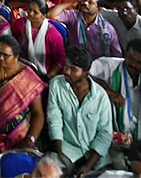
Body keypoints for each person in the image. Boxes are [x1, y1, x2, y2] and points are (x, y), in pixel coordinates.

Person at [45, 45, 112, 175]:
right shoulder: (57, 85)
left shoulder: (100, 96)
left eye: (73, 69)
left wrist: (89, 165)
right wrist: (59, 155)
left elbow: (105, 133)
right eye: (65, 66)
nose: (66, 72)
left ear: (86, 73)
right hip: (67, 148)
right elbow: (54, 120)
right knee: (52, 171)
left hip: (95, 155)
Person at [89, 39, 141, 149]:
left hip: (137, 139)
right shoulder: (107, 65)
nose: (133, 64)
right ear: (125, 55)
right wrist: (110, 92)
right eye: (130, 59)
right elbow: (86, 75)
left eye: (139, 62)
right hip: (110, 133)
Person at [47, 0, 122, 58]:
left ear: (98, 9)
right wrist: (71, 4)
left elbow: (117, 54)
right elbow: (50, 14)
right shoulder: (74, 16)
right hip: (76, 60)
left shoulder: (107, 29)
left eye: (90, 3)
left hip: (99, 64)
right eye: (84, 0)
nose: (85, 3)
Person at [10, 0, 66, 77]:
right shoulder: (20, 23)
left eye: (35, 12)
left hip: (43, 74)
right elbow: (12, 42)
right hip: (20, 66)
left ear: (43, 16)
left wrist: (47, 77)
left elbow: (60, 60)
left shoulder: (52, 34)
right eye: (29, 9)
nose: (30, 13)